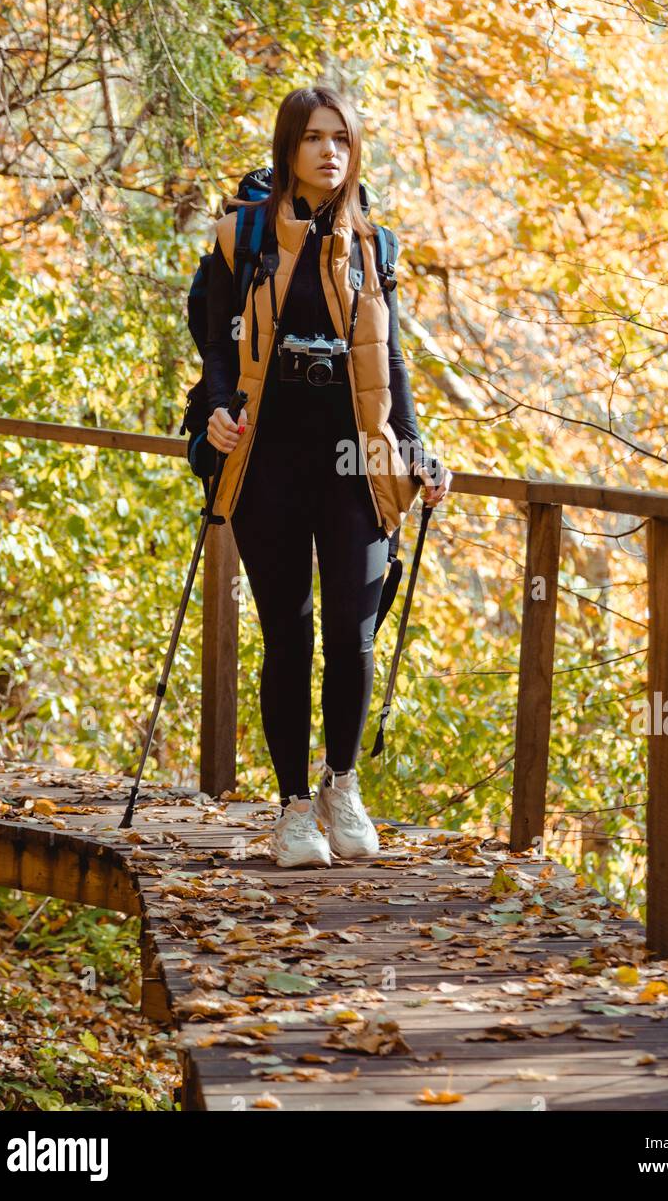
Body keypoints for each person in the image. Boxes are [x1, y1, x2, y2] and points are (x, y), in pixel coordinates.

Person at [202, 85, 452, 869]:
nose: (329, 151)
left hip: (356, 462)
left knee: (353, 630)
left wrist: (414, 449)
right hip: (268, 457)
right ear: (288, 149)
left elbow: (393, 364)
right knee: (289, 633)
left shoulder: (376, 245)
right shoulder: (243, 238)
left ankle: (341, 787)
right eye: (313, 137)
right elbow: (211, 343)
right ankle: (291, 810)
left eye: (340, 137)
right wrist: (214, 409)